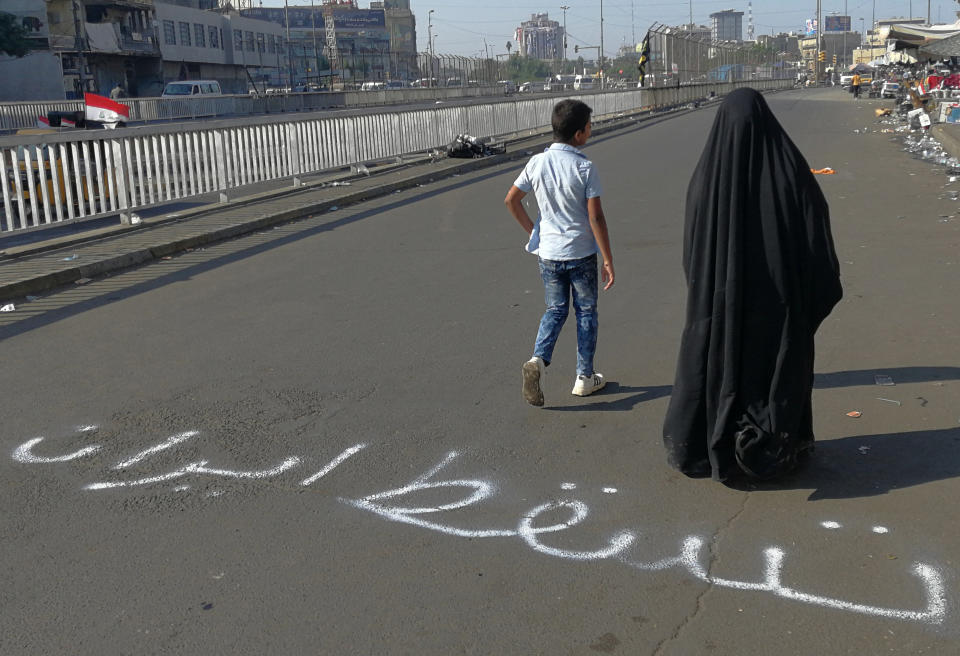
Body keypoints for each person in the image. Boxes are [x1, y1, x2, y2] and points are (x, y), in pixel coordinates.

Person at [662, 88, 842, 482]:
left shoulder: (706, 179)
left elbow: (693, 250)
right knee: (776, 366)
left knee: (719, 364)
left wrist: (707, 289)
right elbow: (816, 238)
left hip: (720, 303)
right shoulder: (789, 170)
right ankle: (778, 443)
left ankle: (714, 443)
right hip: (779, 304)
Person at [504, 99, 615, 407]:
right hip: (579, 252)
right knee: (586, 312)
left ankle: (538, 360)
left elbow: (511, 200)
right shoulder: (584, 166)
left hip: (549, 253)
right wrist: (607, 258)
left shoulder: (537, 162)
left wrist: (534, 231)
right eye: (589, 127)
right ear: (579, 134)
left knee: (555, 310)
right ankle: (584, 377)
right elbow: (596, 217)